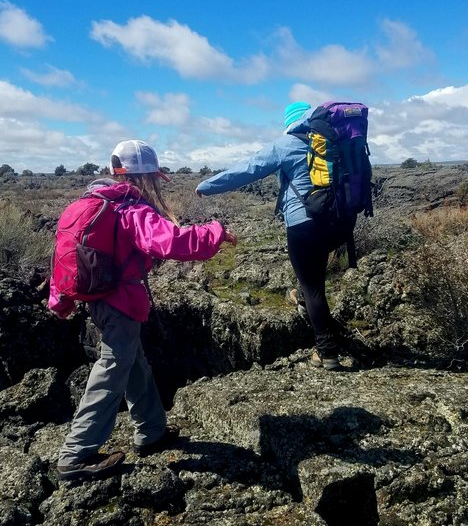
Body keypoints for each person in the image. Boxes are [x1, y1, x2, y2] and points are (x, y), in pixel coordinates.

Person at [52, 139, 237, 481]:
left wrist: (60, 300)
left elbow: (65, 257)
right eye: (153, 177)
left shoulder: (89, 203)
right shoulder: (129, 209)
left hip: (98, 301)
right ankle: (76, 455)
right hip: (120, 303)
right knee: (112, 367)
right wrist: (215, 232)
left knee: (133, 362)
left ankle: (151, 432)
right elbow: (171, 242)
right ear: (146, 177)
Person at [195, 102, 356, 371]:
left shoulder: (285, 145)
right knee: (312, 274)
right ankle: (306, 300)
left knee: (313, 286)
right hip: (342, 223)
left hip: (306, 224)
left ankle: (327, 353)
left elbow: (247, 169)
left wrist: (206, 186)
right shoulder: (337, 141)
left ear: (289, 123)